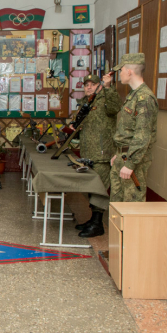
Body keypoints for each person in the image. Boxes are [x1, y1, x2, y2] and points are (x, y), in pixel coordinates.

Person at [73, 74, 121, 238]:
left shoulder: (105, 100)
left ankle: (97, 223)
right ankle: (93, 219)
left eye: (93, 84)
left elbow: (115, 107)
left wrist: (108, 87)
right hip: (87, 153)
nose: (89, 87)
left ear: (99, 86)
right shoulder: (86, 102)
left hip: (102, 153)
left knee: (100, 189)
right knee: (91, 188)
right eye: (86, 84)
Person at [110, 53, 158, 203]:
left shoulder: (144, 98)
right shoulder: (133, 95)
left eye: (121, 70)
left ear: (129, 71)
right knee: (116, 205)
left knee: (131, 205)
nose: (120, 74)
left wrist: (130, 163)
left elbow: (142, 135)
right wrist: (118, 153)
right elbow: (127, 130)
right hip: (123, 156)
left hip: (132, 161)